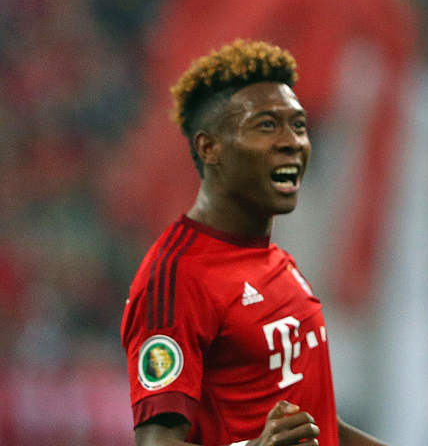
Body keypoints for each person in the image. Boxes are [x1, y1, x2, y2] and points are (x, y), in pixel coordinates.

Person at [121, 40, 389, 446]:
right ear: (210, 148)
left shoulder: (278, 264)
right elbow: (154, 442)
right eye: (267, 125)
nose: (292, 142)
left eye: (298, 125)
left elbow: (317, 424)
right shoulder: (177, 278)